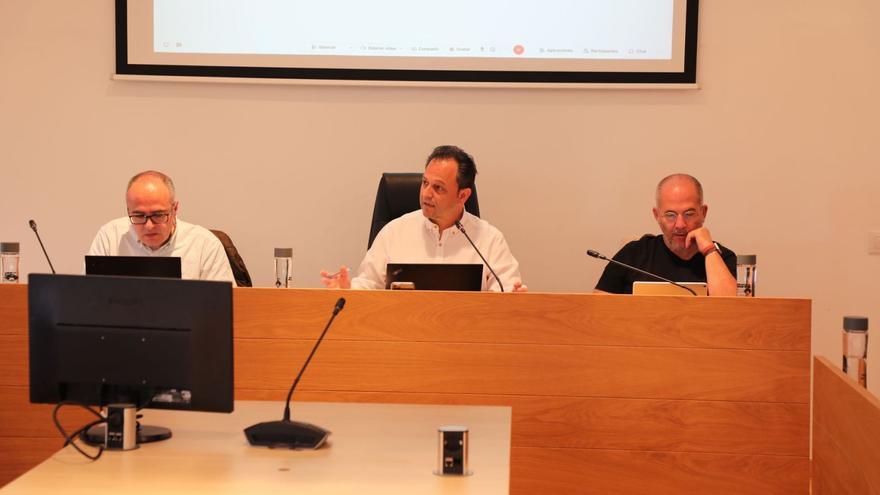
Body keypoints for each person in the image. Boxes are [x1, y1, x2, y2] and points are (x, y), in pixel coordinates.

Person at [321, 145, 526, 292]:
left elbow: (504, 291)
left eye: (438, 188)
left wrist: (513, 298)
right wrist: (347, 289)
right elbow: (368, 284)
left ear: (463, 196)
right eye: (425, 183)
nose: (426, 194)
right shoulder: (395, 232)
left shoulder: (489, 239)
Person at [594, 173, 737, 296]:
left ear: (703, 213)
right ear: (657, 215)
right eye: (670, 215)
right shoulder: (633, 255)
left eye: (689, 214)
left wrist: (709, 249)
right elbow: (597, 310)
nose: (680, 224)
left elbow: (733, 310)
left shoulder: (723, 258)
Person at [88, 170, 235, 283]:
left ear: (175, 209)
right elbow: (88, 297)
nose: (149, 226)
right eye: (139, 216)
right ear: (128, 211)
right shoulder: (110, 237)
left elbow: (226, 308)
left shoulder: (205, 244)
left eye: (158, 215)